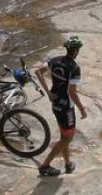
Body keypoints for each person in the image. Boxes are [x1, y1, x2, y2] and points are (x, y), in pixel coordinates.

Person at [36, 35, 88, 178]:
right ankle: (45, 166)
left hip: (56, 104)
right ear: (76, 51)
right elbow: (72, 91)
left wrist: (48, 92)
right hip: (66, 109)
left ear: (67, 48)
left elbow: (38, 72)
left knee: (64, 135)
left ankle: (67, 163)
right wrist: (82, 108)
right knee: (67, 138)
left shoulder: (55, 60)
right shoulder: (75, 68)